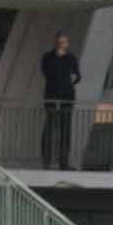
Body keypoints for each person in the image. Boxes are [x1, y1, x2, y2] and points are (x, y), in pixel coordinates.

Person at [40, 31, 80, 170]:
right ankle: (47, 160)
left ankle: (64, 161)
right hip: (52, 96)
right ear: (56, 42)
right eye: (60, 42)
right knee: (50, 127)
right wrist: (58, 58)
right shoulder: (48, 57)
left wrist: (75, 78)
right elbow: (48, 73)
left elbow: (78, 75)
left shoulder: (71, 58)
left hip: (67, 97)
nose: (63, 44)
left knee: (65, 129)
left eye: (65, 42)